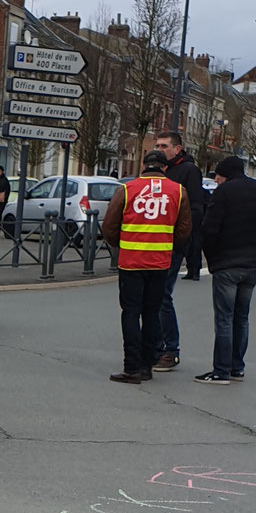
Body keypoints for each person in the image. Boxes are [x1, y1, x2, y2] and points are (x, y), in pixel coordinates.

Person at [100, 150, 191, 384]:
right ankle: (148, 365)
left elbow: (109, 227)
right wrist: (166, 245)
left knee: (131, 313)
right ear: (164, 167)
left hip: (131, 262)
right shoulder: (178, 191)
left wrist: (121, 244)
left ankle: (131, 367)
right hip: (159, 262)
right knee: (152, 313)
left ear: (144, 165)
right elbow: (183, 230)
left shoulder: (127, 190)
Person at [196, 155, 256, 385]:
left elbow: (209, 229)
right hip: (252, 264)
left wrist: (212, 257)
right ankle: (236, 367)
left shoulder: (224, 193)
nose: (217, 181)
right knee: (242, 318)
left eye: (218, 176)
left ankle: (220, 371)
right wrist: (255, 250)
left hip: (226, 264)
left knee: (224, 318)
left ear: (225, 174)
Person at [152, 129, 204, 365]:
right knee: (152, 296)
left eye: (164, 146)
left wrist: (179, 240)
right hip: (151, 242)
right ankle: (155, 346)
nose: (159, 149)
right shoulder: (158, 170)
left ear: (177, 149)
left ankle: (170, 350)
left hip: (172, 244)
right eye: (157, 145)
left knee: (163, 296)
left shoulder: (188, 171)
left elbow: (194, 209)